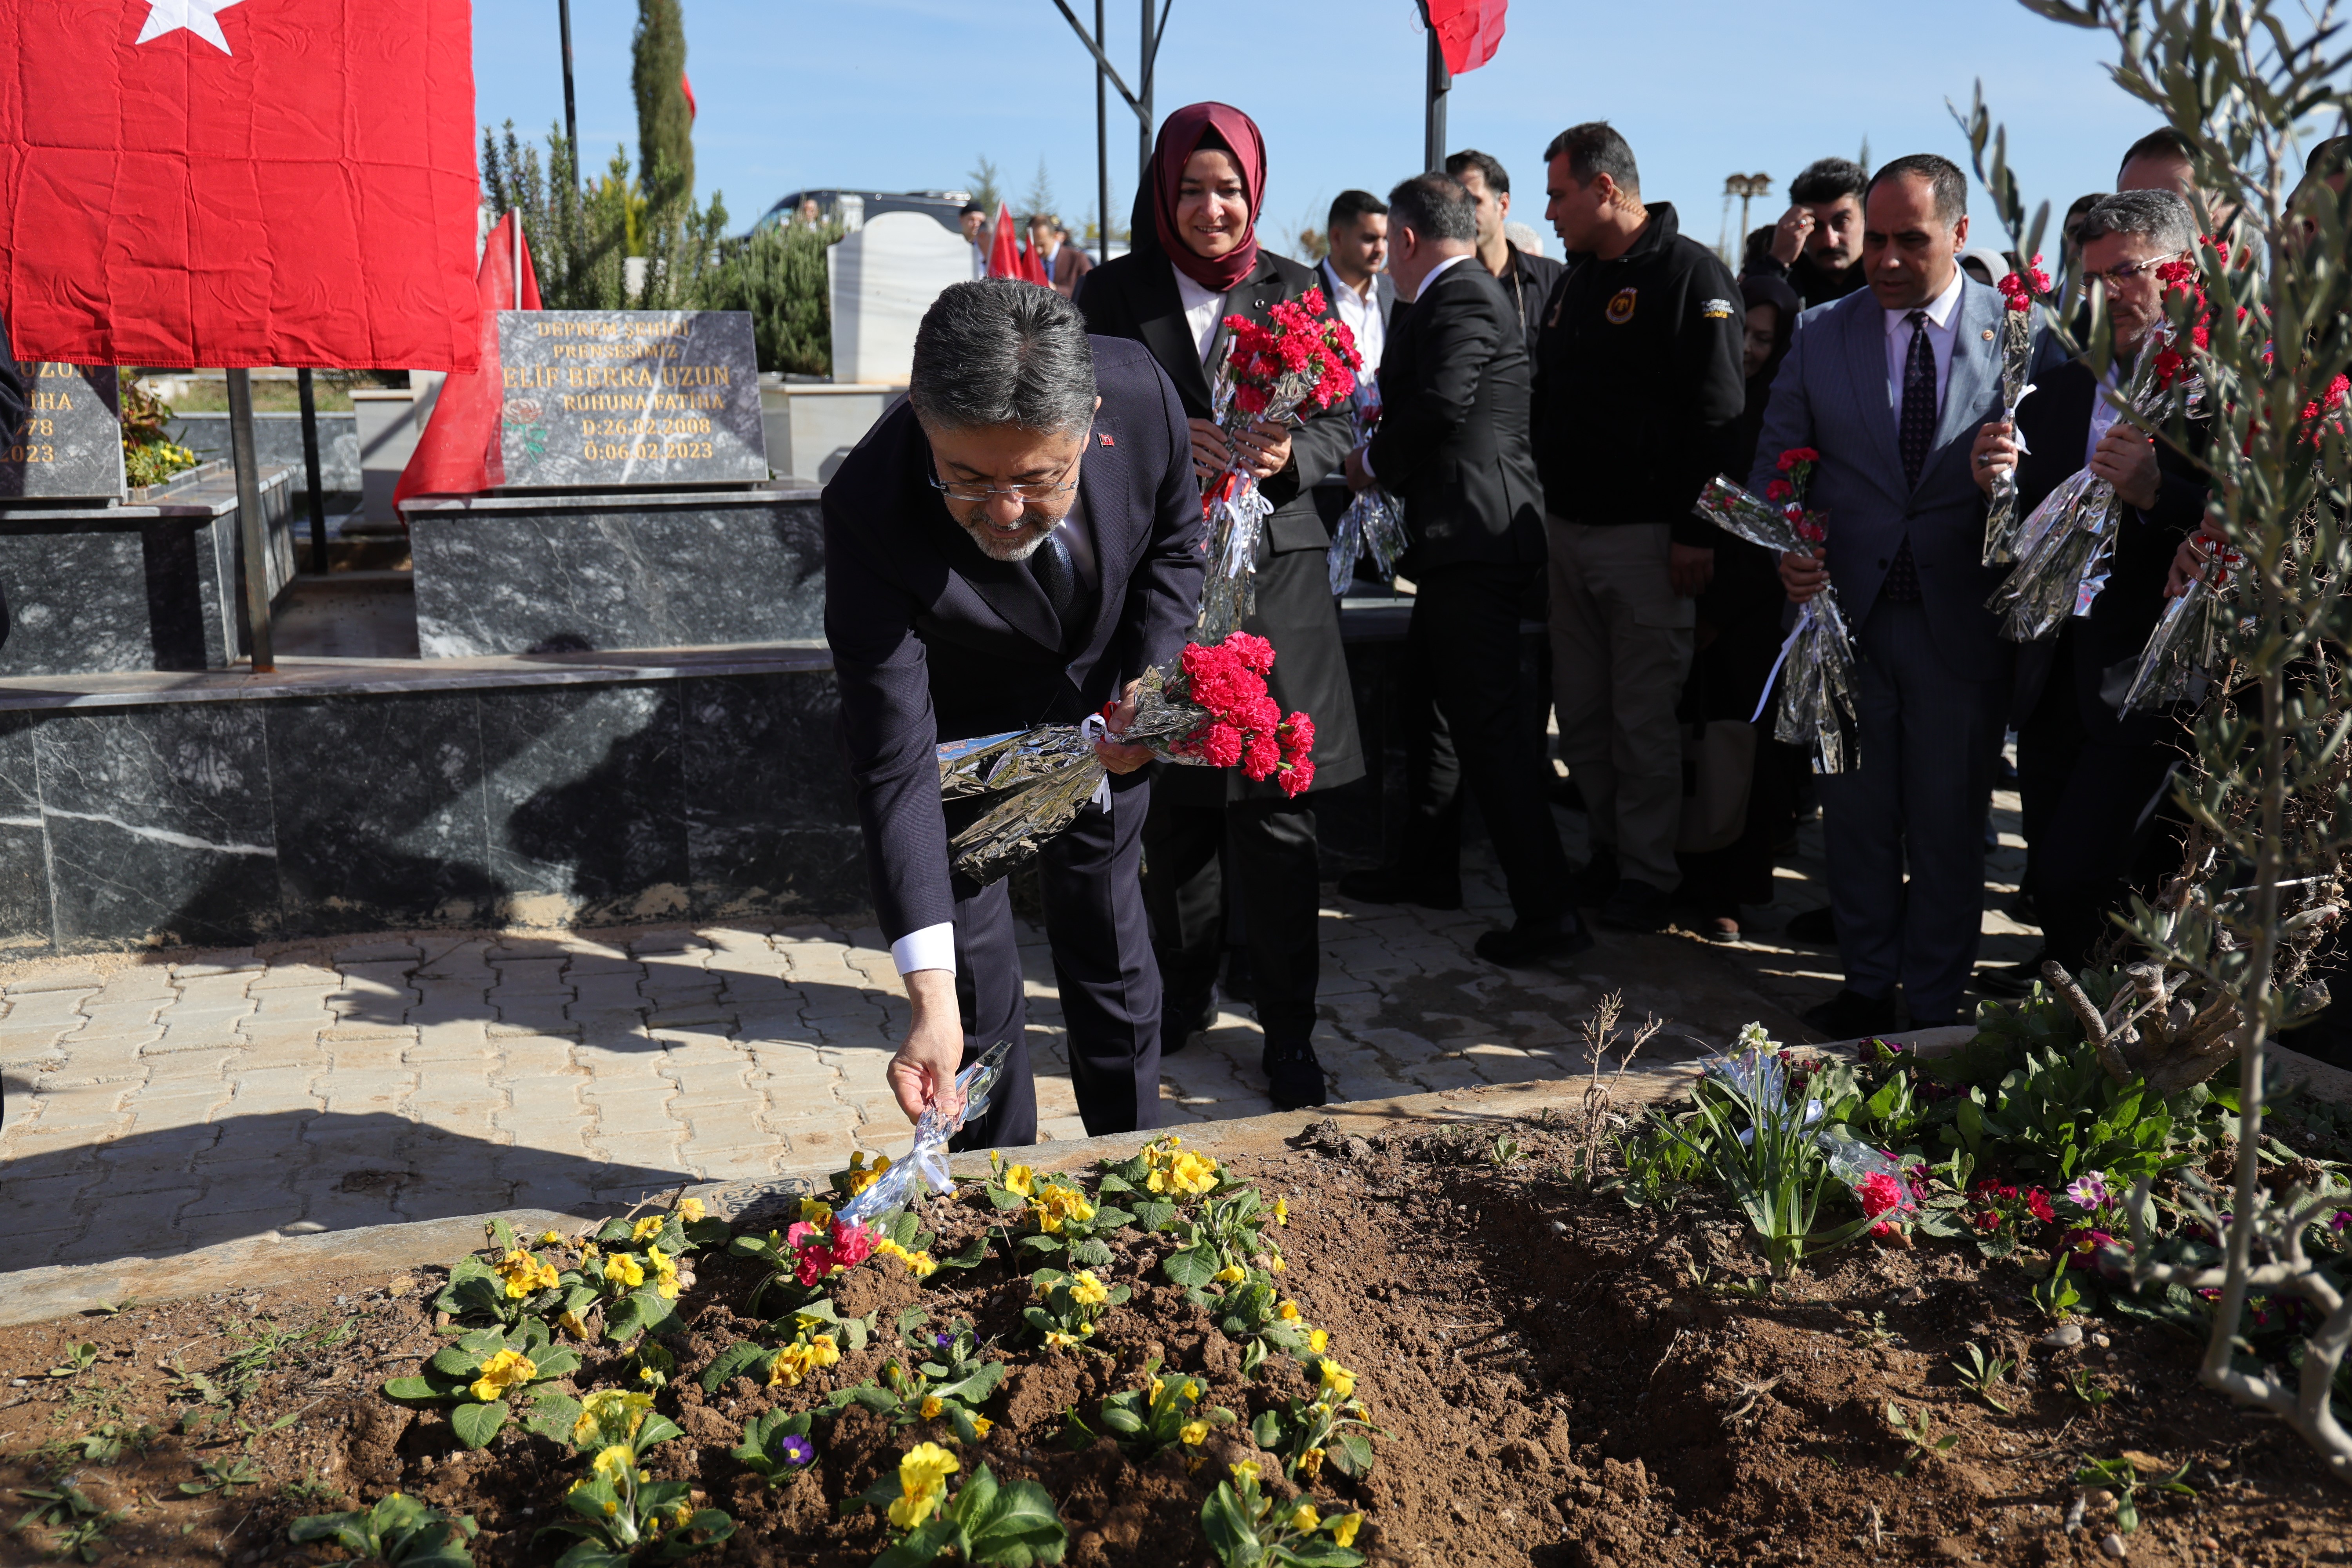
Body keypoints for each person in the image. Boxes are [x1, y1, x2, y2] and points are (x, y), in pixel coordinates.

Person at [823, 279, 1204, 1149]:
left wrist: (1148, 682)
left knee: (1114, 964)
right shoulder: (869, 510)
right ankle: (1007, 1211)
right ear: (922, 413)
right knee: (973, 1007)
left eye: (1040, 480)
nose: (1002, 512)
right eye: (964, 477)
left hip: (1108, 731)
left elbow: (1178, 545)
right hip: (961, 755)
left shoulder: (1144, 394)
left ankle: (1136, 1163)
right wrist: (926, 996)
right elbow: (894, 757)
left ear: (1091, 420)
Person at [1074, 102, 1364, 1111]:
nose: (1211, 208)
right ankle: (1183, 996)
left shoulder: (1298, 291)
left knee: (1278, 818)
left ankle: (1289, 1034)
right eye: (1192, 188)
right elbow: (1073, 426)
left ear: (1256, 191)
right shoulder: (1111, 293)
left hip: (1277, 586)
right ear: (1164, 191)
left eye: (1229, 188)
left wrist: (1290, 456)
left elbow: (1343, 428)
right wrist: (1156, 451)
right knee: (1181, 814)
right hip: (1165, 581)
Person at [1758, 153, 2014, 1036]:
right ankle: (1868, 984)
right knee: (1856, 819)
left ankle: (1937, 1002)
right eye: (1880, 239)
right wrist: (1790, 546)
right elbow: (1777, 470)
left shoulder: (2022, 334)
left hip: (1961, 628)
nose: (1891, 259)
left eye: (1915, 239)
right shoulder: (1821, 332)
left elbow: (2062, 485)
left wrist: (2008, 489)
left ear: (1961, 235)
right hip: (1844, 621)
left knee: (1949, 828)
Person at [1340, 172, 1585, 967]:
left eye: (1391, 248)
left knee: (1492, 732)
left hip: (1477, 539)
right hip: (1455, 540)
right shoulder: (1453, 295)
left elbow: (1443, 404)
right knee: (1428, 710)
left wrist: (1367, 463)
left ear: (1408, 239)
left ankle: (1549, 911)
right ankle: (1428, 866)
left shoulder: (1462, 296)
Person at [1973, 190, 2210, 993]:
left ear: (2181, 269)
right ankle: (2071, 1018)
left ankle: (2114, 1022)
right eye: (2094, 277)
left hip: (2147, 675)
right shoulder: (2066, 381)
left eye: (2128, 273)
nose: (2109, 292)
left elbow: (2255, 524)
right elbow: (2029, 523)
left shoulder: (2223, 386)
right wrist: (1993, 481)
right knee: (2053, 873)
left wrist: (2157, 495)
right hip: (2052, 669)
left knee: (2094, 870)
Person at [1535, 121, 1747, 933]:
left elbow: (1721, 419)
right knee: (1582, 715)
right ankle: (1610, 852)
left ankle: (1651, 876)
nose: (1553, 213)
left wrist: (1698, 529)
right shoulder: (1577, 282)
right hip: (1569, 531)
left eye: (1560, 194)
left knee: (1641, 719)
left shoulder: (1692, 275)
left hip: (1648, 541)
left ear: (1606, 189)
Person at [1675, 273, 1806, 940]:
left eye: (1764, 338)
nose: (1750, 350)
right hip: (1685, 597)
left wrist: (1721, 613)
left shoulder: (1787, 407)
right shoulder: (1704, 401)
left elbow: (1774, 517)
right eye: (1741, 335)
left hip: (1752, 611)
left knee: (1741, 754)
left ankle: (1731, 890)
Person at [1444, 149, 1564, 356]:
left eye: (1474, 202)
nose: (1463, 214)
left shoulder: (1554, 280)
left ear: (1503, 205)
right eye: (1453, 205)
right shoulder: (1443, 286)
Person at [1744, 157, 1871, 309]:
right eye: (1816, 226)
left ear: (1867, 220)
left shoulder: (1889, 280)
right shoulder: (1787, 281)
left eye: (1841, 223)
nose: (1830, 241)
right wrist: (1777, 261)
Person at [1319, 189, 1395, 387]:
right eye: (1370, 239)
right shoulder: (1305, 294)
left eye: (1385, 239)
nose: (1381, 249)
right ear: (1337, 238)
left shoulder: (1396, 293)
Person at [1031, 212, 1094, 298]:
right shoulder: (1026, 260)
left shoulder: (1078, 259)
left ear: (1055, 236)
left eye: (1042, 245)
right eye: (1033, 245)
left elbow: (1090, 291)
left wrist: (1055, 289)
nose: (1038, 250)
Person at [960, 201, 989, 279]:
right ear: (961, 220)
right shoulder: (955, 246)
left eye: (980, 221)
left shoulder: (985, 250)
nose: (976, 224)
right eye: (972, 219)